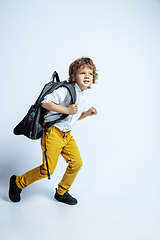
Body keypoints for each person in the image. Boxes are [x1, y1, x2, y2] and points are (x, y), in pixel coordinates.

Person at [9, 57, 98, 205]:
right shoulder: (65, 90)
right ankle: (17, 183)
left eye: (90, 73)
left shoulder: (84, 97)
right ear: (73, 76)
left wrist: (86, 113)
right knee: (47, 169)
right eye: (82, 73)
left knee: (76, 163)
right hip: (53, 133)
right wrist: (67, 109)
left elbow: (73, 117)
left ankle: (61, 192)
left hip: (66, 136)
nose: (87, 76)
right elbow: (45, 103)